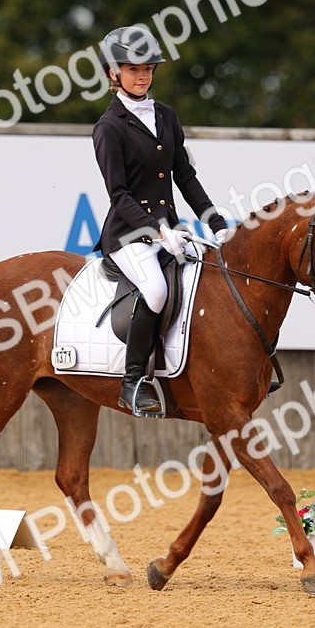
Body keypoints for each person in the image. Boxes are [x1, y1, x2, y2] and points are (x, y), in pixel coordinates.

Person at [92, 25, 232, 415]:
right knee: (155, 289)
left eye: (149, 69)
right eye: (133, 69)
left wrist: (215, 221)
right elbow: (118, 195)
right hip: (127, 236)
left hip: (171, 229)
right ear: (112, 72)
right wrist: (154, 231)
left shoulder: (166, 116)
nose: (143, 76)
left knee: (208, 281)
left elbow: (183, 176)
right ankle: (133, 382)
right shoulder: (109, 127)